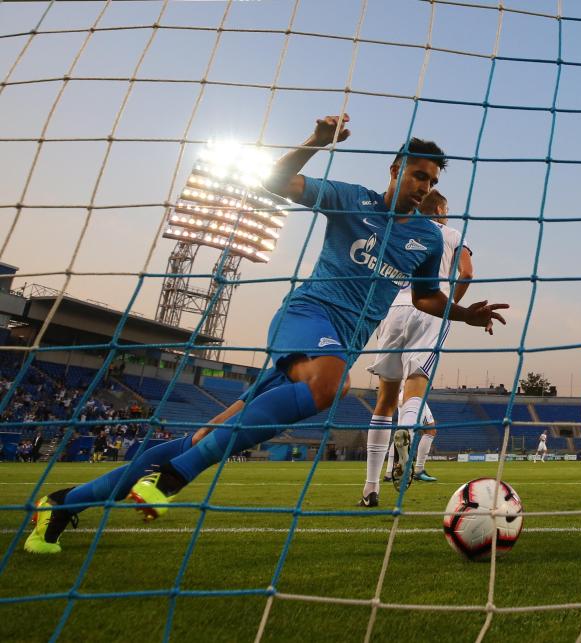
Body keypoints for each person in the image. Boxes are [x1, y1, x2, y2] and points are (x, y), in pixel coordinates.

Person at [24, 114, 507, 554]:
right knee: (328, 385)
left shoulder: (425, 239)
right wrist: (315, 140)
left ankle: (64, 503)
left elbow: (425, 297)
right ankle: (174, 479)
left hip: (340, 343)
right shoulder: (350, 199)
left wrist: (463, 314)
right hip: (307, 317)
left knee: (205, 436)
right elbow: (276, 182)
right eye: (419, 174)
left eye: (433, 180)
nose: (425, 186)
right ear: (396, 168)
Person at [361, 189, 474, 505]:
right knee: (416, 388)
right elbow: (467, 273)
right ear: (439, 207)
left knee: (384, 400)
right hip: (429, 306)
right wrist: (451, 305)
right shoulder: (450, 233)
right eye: (447, 207)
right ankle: (408, 434)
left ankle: (370, 489)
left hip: (392, 308)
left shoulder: (399, 227)